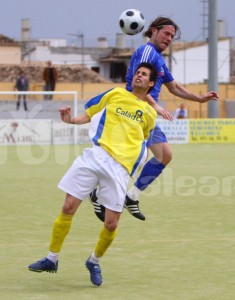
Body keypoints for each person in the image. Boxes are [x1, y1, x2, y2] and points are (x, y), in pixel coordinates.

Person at [27, 62, 158, 287]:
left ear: (151, 83)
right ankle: (52, 258)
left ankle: (94, 261)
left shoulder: (149, 113)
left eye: (144, 74)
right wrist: (70, 120)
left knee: (111, 224)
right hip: (95, 156)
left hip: (119, 169)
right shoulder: (115, 94)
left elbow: (142, 139)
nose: (139, 76)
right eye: (137, 73)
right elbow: (89, 113)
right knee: (68, 207)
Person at [89, 16, 219, 222]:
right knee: (129, 158)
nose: (169, 39)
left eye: (172, 37)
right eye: (166, 33)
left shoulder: (158, 58)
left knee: (163, 155)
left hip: (145, 114)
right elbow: (135, 83)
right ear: (153, 31)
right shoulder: (147, 51)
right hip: (133, 113)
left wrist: (199, 98)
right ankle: (99, 193)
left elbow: (174, 87)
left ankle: (131, 196)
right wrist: (156, 105)